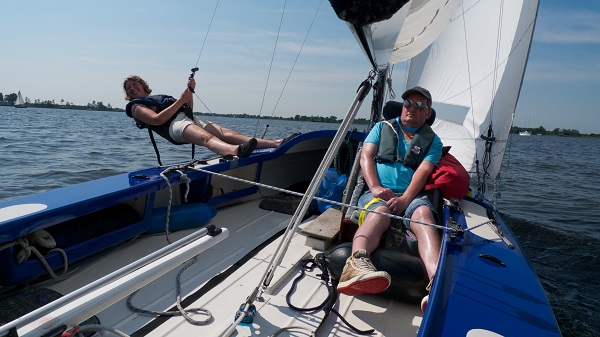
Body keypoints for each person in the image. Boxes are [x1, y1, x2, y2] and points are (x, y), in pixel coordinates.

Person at [337, 86, 442, 312]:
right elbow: (366, 156)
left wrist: (405, 199)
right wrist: (374, 187)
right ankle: (356, 263)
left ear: (428, 113)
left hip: (411, 196)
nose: (411, 108)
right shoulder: (381, 128)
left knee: (424, 214)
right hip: (378, 194)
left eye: (419, 105)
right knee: (381, 212)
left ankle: (436, 282)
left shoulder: (433, 141)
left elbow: (423, 171)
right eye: (407, 103)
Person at [123, 75, 296, 158]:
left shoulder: (159, 96)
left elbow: (188, 108)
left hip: (188, 118)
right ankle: (236, 151)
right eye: (128, 88)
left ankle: (277, 143)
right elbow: (157, 120)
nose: (132, 88)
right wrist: (181, 99)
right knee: (207, 138)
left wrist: (189, 91)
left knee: (229, 134)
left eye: (134, 84)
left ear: (142, 84)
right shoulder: (136, 107)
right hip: (174, 126)